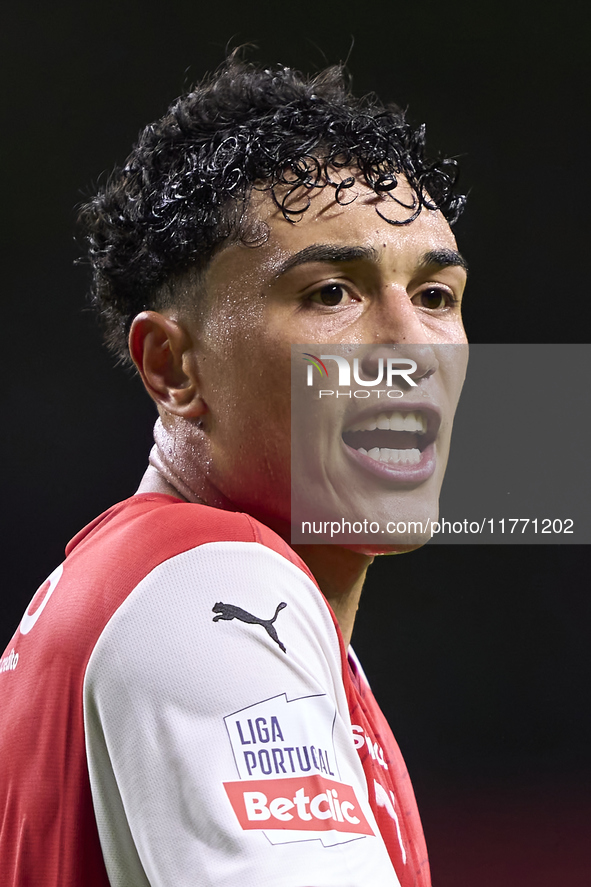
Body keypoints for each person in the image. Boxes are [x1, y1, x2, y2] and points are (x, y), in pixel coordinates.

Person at [0, 55, 468, 886]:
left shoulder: (133, 589)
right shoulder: (213, 592)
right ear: (172, 367)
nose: (409, 349)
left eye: (435, 296)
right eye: (331, 293)